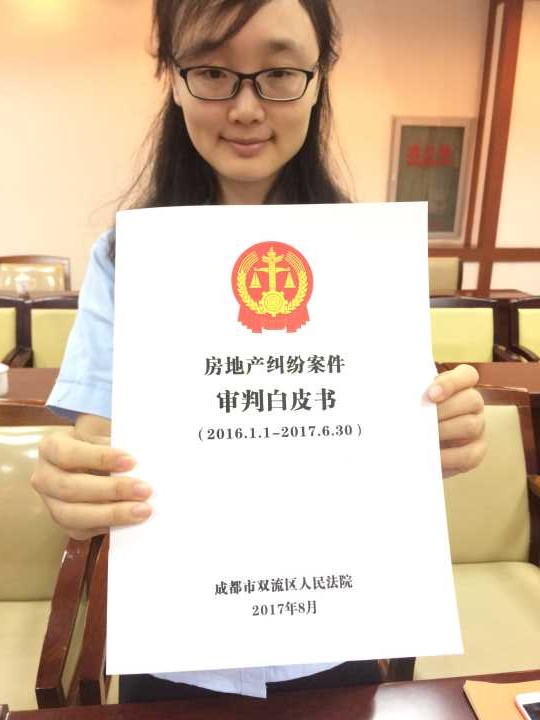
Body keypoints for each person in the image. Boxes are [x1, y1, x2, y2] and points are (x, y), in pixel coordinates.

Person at [32, 0, 486, 703]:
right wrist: (73, 487)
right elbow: (99, 447)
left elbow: (383, 435)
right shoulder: (126, 258)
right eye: (213, 72)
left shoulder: (367, 255)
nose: (245, 109)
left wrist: (439, 435)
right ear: (173, 78)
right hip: (178, 644)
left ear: (318, 78)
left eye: (278, 73)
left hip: (334, 637)